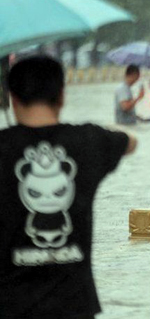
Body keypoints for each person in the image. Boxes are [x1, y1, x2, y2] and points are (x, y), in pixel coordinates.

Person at [0, 56, 136, 318]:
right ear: (62, 96)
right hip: (74, 307)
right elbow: (131, 142)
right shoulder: (89, 141)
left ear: (12, 98)